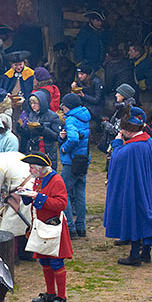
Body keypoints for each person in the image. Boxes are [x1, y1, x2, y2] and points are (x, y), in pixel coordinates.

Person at [105, 108, 152, 265]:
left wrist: (117, 142)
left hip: (135, 190)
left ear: (127, 130)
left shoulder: (132, 148)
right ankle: (146, 253)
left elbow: (116, 159)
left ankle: (134, 255)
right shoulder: (148, 141)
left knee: (136, 216)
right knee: (145, 214)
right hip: (147, 187)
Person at [9, 152, 72, 302]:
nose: (29, 170)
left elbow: (61, 204)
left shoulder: (56, 180)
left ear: (41, 168)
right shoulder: (39, 178)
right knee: (44, 260)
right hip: (40, 225)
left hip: (53, 226)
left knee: (56, 262)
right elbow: (38, 197)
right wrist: (27, 195)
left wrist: (38, 197)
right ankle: (51, 294)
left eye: (31, 167)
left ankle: (61, 297)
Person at [59, 93, 91, 238]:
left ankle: (70, 227)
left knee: (62, 191)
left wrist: (64, 146)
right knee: (80, 192)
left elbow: (73, 138)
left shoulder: (71, 119)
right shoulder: (84, 117)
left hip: (71, 162)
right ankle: (81, 227)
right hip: (83, 159)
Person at [19, 90, 61, 169]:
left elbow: (56, 136)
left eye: (35, 103)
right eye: (31, 103)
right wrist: (22, 131)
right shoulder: (32, 115)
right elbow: (29, 135)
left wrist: (43, 129)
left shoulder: (52, 116)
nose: (33, 106)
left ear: (42, 103)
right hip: (33, 149)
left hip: (47, 151)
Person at [0, 50, 34, 122]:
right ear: (11, 65)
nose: (18, 67)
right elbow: (2, 89)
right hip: (11, 103)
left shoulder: (31, 74)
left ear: (24, 63)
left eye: (20, 64)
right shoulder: (8, 75)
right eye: (16, 65)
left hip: (24, 103)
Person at [71, 64, 104, 132]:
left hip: (96, 107)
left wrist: (83, 96)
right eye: (78, 74)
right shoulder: (79, 80)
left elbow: (97, 100)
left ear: (87, 74)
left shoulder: (97, 82)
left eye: (82, 74)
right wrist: (73, 88)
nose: (80, 76)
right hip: (84, 104)